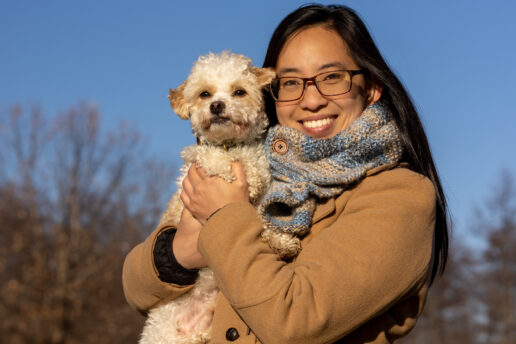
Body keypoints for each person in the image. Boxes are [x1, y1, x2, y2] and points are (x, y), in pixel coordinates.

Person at [122, 4, 448, 343]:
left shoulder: (401, 196)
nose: (311, 100)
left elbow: (294, 322)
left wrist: (223, 218)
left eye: (332, 77)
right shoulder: (251, 168)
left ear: (371, 88)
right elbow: (135, 287)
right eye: (291, 82)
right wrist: (179, 253)